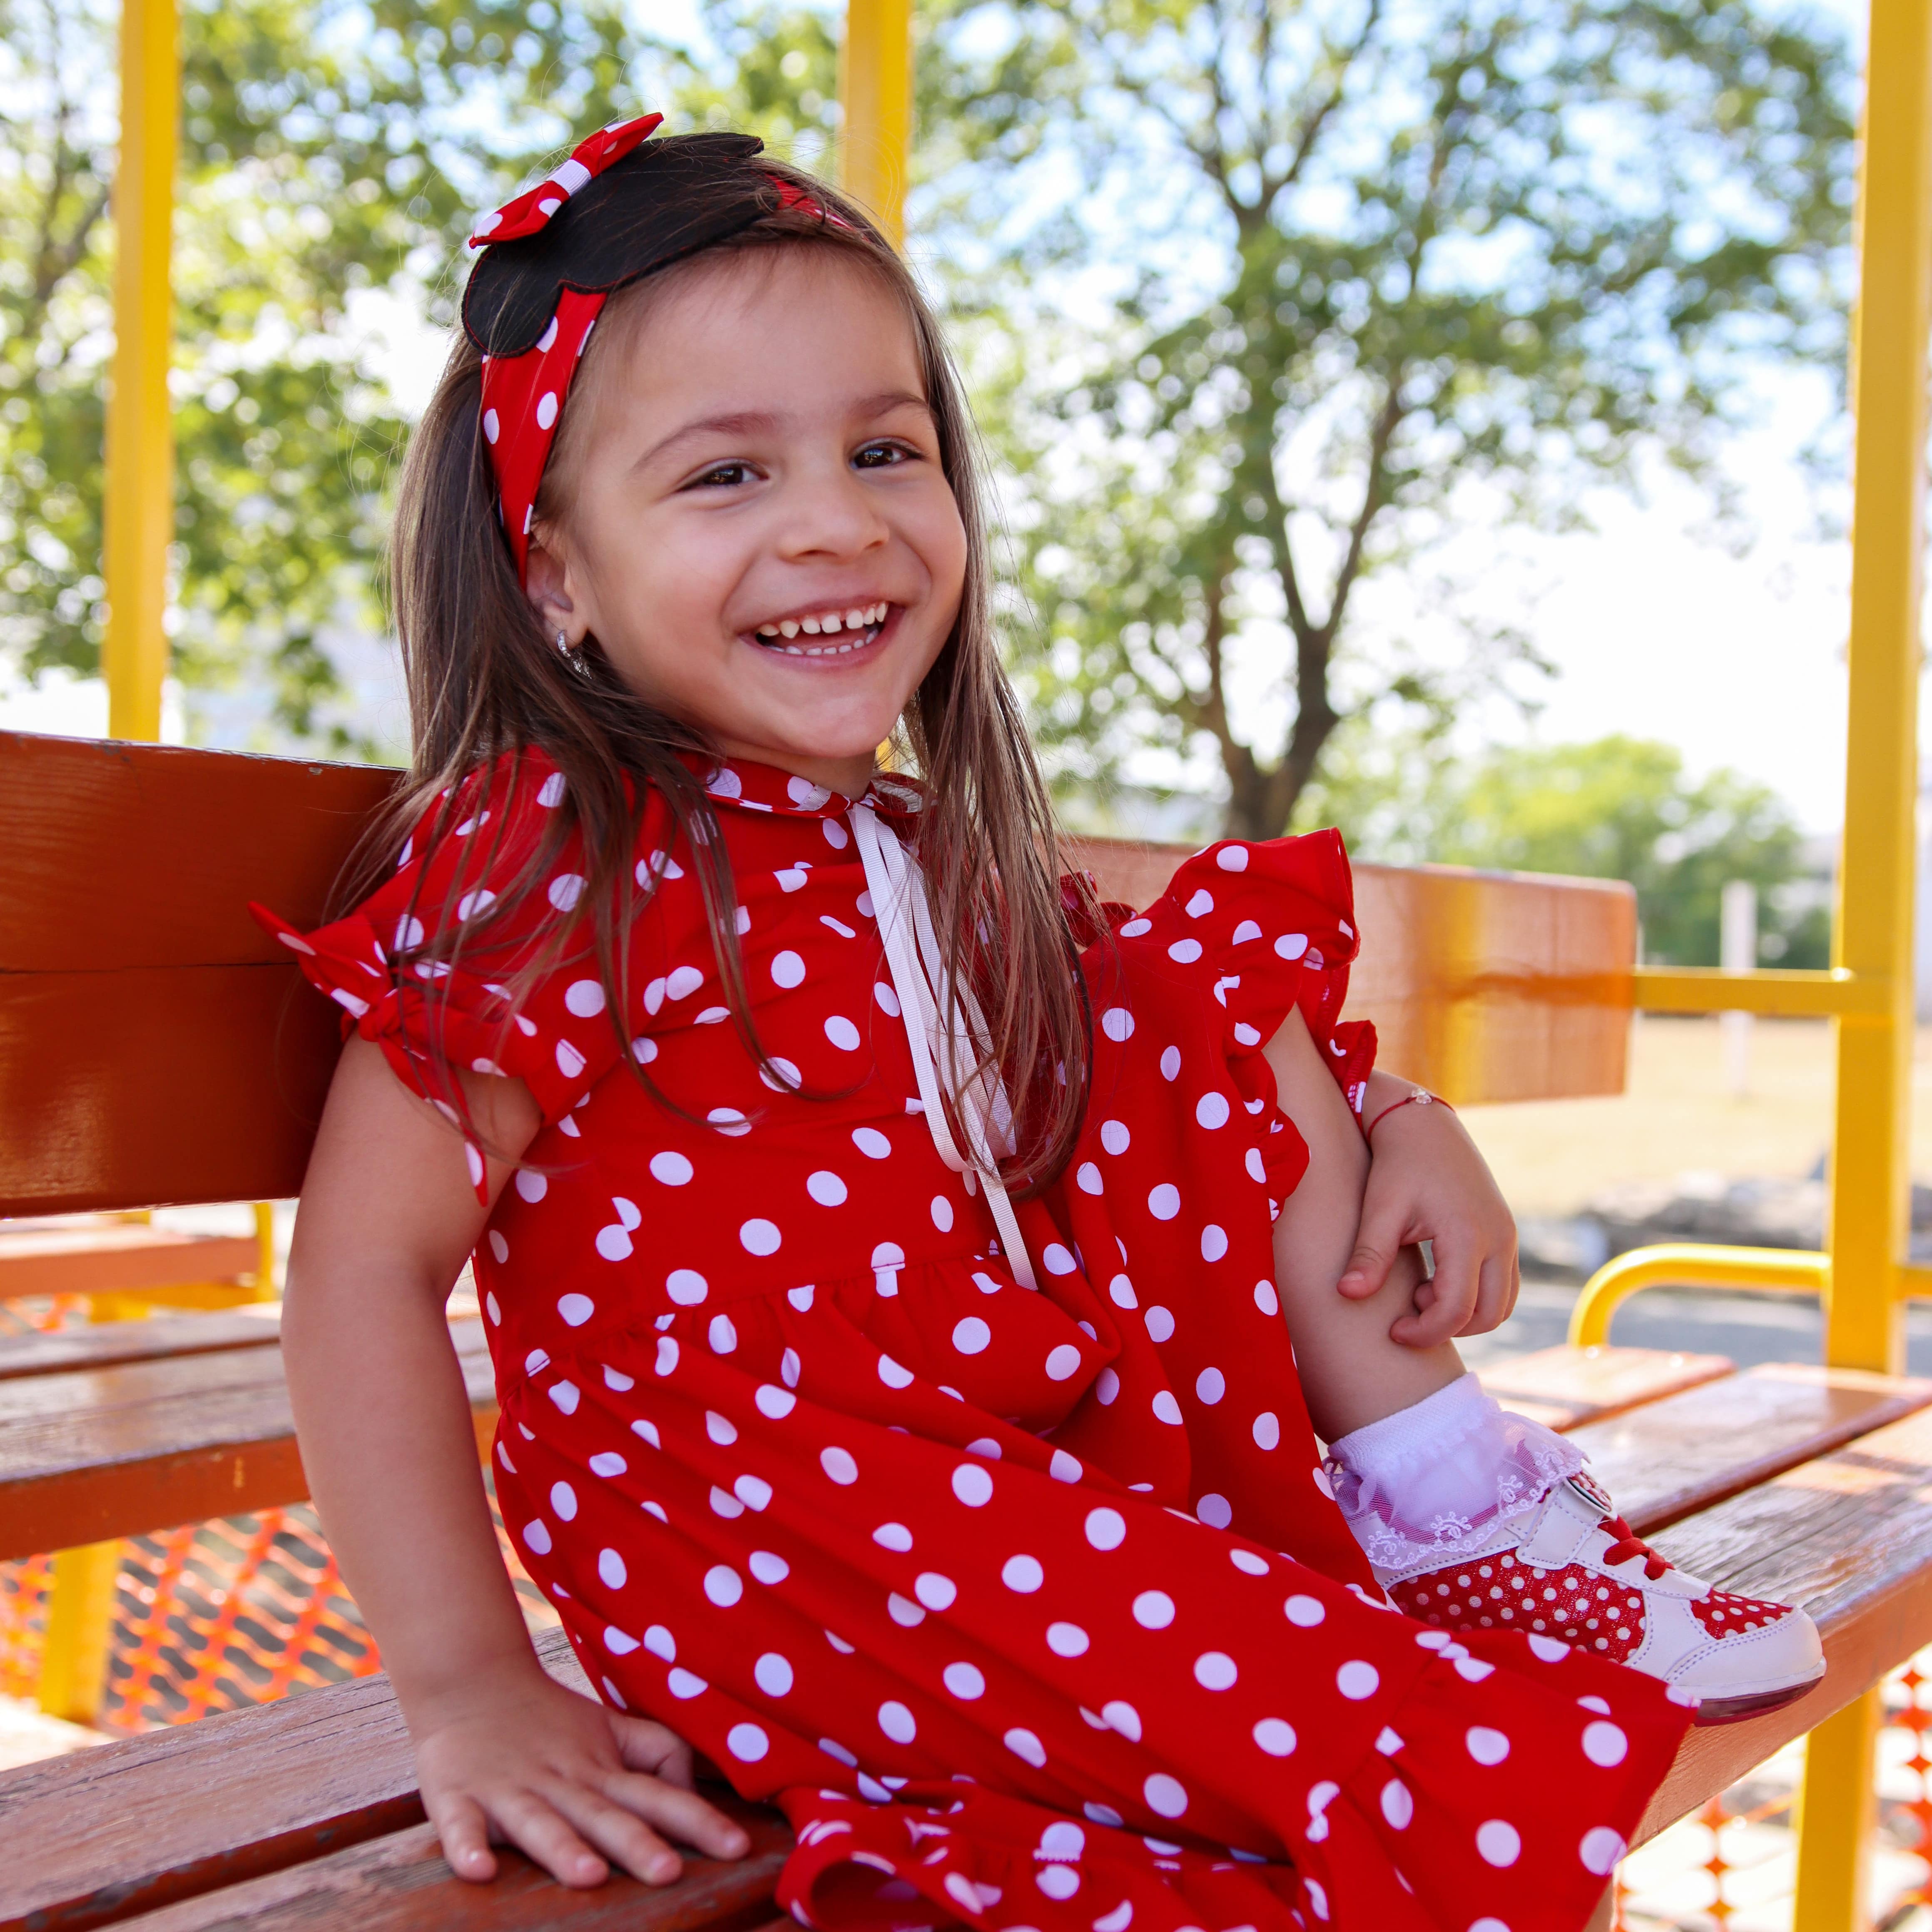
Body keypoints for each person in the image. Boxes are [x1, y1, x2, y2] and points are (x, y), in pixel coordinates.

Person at [260, 117, 1822, 1932]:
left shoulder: (943, 855)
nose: (834, 517)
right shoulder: (562, 863)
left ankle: (1452, 1505)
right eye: (722, 477)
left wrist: (1393, 1119)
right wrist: (468, 1681)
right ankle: (1420, 1686)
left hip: (1019, 1462)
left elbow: (1182, 1090)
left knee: (1197, 975)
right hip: (795, 1542)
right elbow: (361, 1269)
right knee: (1398, 1746)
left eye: (881, 448)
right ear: (556, 578)